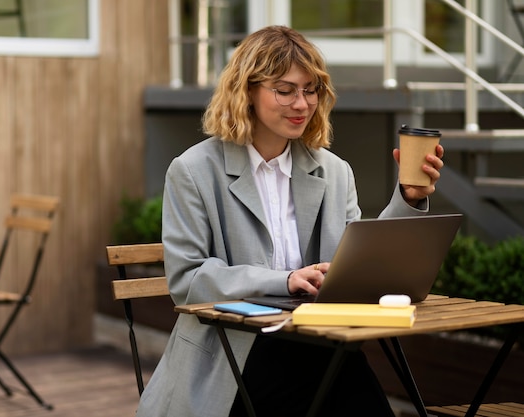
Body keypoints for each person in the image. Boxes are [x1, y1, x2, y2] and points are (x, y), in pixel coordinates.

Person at [136, 25, 444, 417]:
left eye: (310, 89)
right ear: (246, 91)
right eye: (285, 90)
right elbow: (188, 281)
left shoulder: (334, 172)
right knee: (339, 379)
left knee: (342, 371)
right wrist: (283, 281)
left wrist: (409, 198)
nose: (302, 103)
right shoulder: (194, 171)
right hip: (233, 357)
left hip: (318, 344)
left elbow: (357, 264)